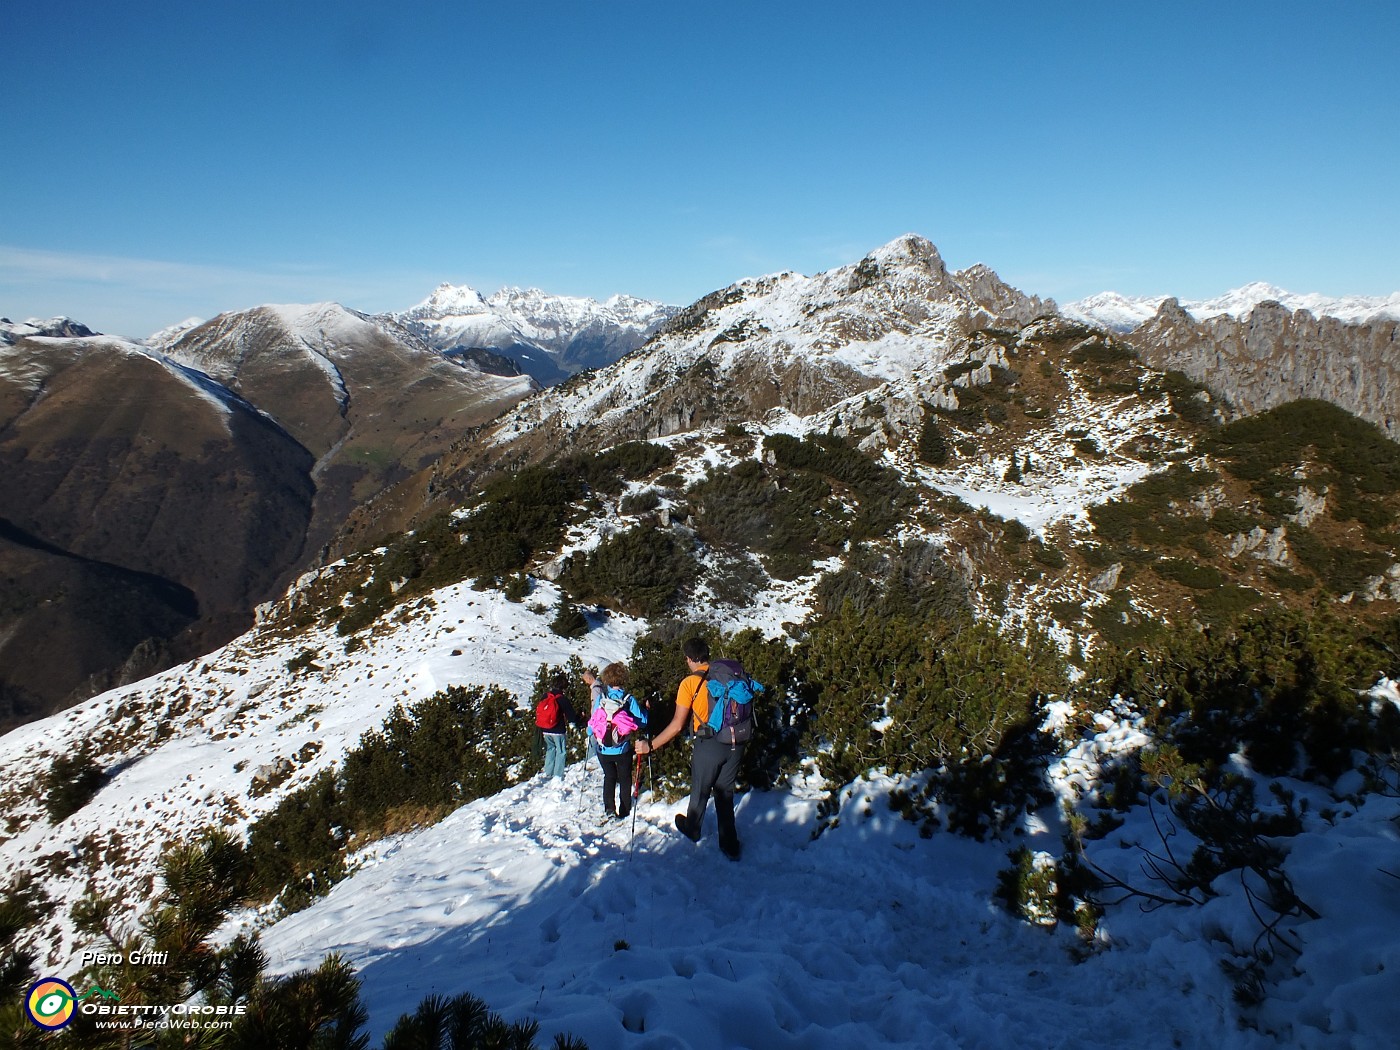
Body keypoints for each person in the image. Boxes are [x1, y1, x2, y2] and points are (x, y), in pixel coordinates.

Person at [635, 638, 753, 861]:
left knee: (700, 789)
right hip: (737, 740)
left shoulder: (689, 683)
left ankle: (693, 827)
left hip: (708, 743)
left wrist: (650, 746)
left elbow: (677, 725)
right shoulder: (728, 674)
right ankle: (729, 844)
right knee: (725, 792)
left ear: (689, 659)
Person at [584, 662, 647, 820]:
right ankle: (625, 810)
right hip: (622, 748)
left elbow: (593, 721)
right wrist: (646, 709)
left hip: (603, 748)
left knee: (609, 776)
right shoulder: (628, 699)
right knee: (625, 778)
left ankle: (609, 809)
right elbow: (642, 721)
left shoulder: (601, 698)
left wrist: (590, 732)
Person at [535, 673, 580, 781]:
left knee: (550, 749)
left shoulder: (545, 696)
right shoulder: (562, 699)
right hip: (558, 730)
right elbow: (572, 717)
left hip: (545, 729)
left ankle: (548, 772)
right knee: (561, 751)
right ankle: (558, 775)